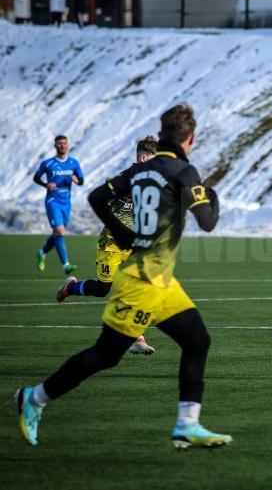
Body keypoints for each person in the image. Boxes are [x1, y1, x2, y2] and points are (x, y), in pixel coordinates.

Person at [16, 104, 232, 449]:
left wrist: (122, 231)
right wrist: (211, 195)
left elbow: (97, 196)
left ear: (160, 137)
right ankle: (35, 397)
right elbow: (208, 221)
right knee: (106, 354)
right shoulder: (184, 172)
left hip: (161, 280)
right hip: (143, 281)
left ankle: (187, 424)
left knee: (197, 340)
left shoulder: (140, 172)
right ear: (191, 139)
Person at [56, 136, 158, 356]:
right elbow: (99, 201)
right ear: (142, 158)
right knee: (102, 289)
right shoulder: (124, 180)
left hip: (135, 247)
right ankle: (71, 287)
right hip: (111, 243)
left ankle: (137, 338)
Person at [34, 135, 84, 275]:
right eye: (59, 143)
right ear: (55, 146)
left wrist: (76, 180)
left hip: (66, 203)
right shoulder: (47, 163)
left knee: (57, 233)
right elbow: (36, 178)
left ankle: (42, 252)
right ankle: (66, 265)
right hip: (52, 201)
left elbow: (81, 181)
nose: (62, 146)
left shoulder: (73, 163)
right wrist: (46, 184)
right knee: (60, 232)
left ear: (68, 145)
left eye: (64, 143)